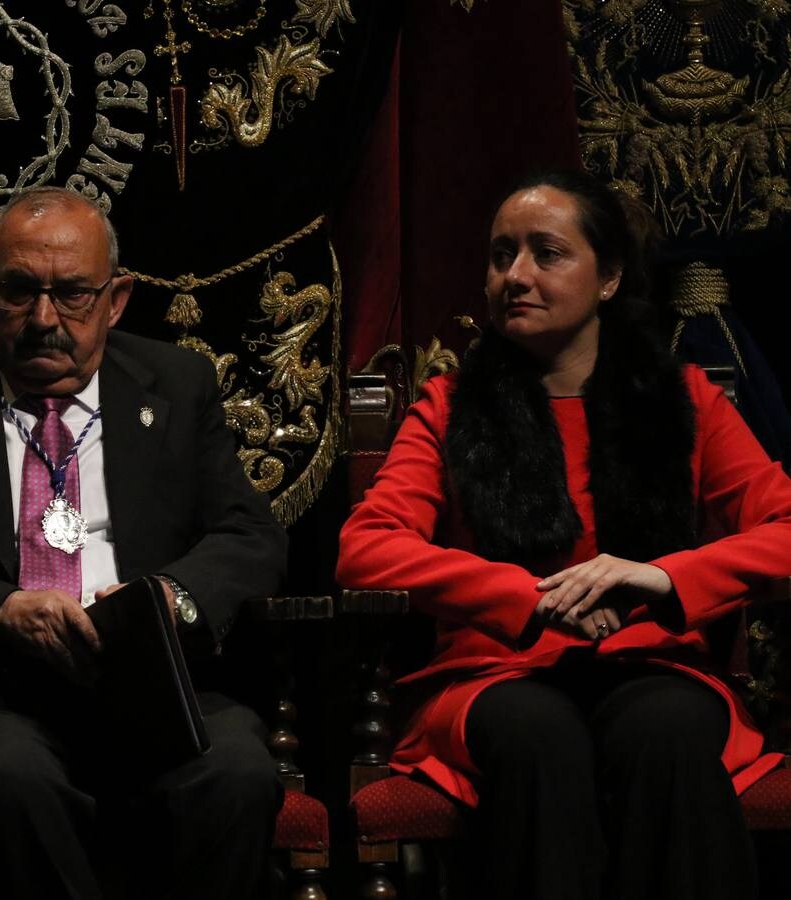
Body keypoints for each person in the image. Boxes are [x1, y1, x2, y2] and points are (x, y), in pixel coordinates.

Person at [336, 168, 791, 900]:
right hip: (496, 675)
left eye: (546, 253)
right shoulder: (450, 406)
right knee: (536, 734)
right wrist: (524, 596)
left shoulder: (684, 398)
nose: (514, 276)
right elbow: (367, 547)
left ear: (608, 277)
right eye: (500, 255)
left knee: (668, 732)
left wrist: (668, 577)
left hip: (654, 666)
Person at [0, 186, 287, 900]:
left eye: (72, 294)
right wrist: (0, 607)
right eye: (19, 291)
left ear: (118, 298)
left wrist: (171, 597)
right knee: (12, 778)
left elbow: (248, 533)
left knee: (239, 774)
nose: (44, 319)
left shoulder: (176, 384)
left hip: (148, 688)